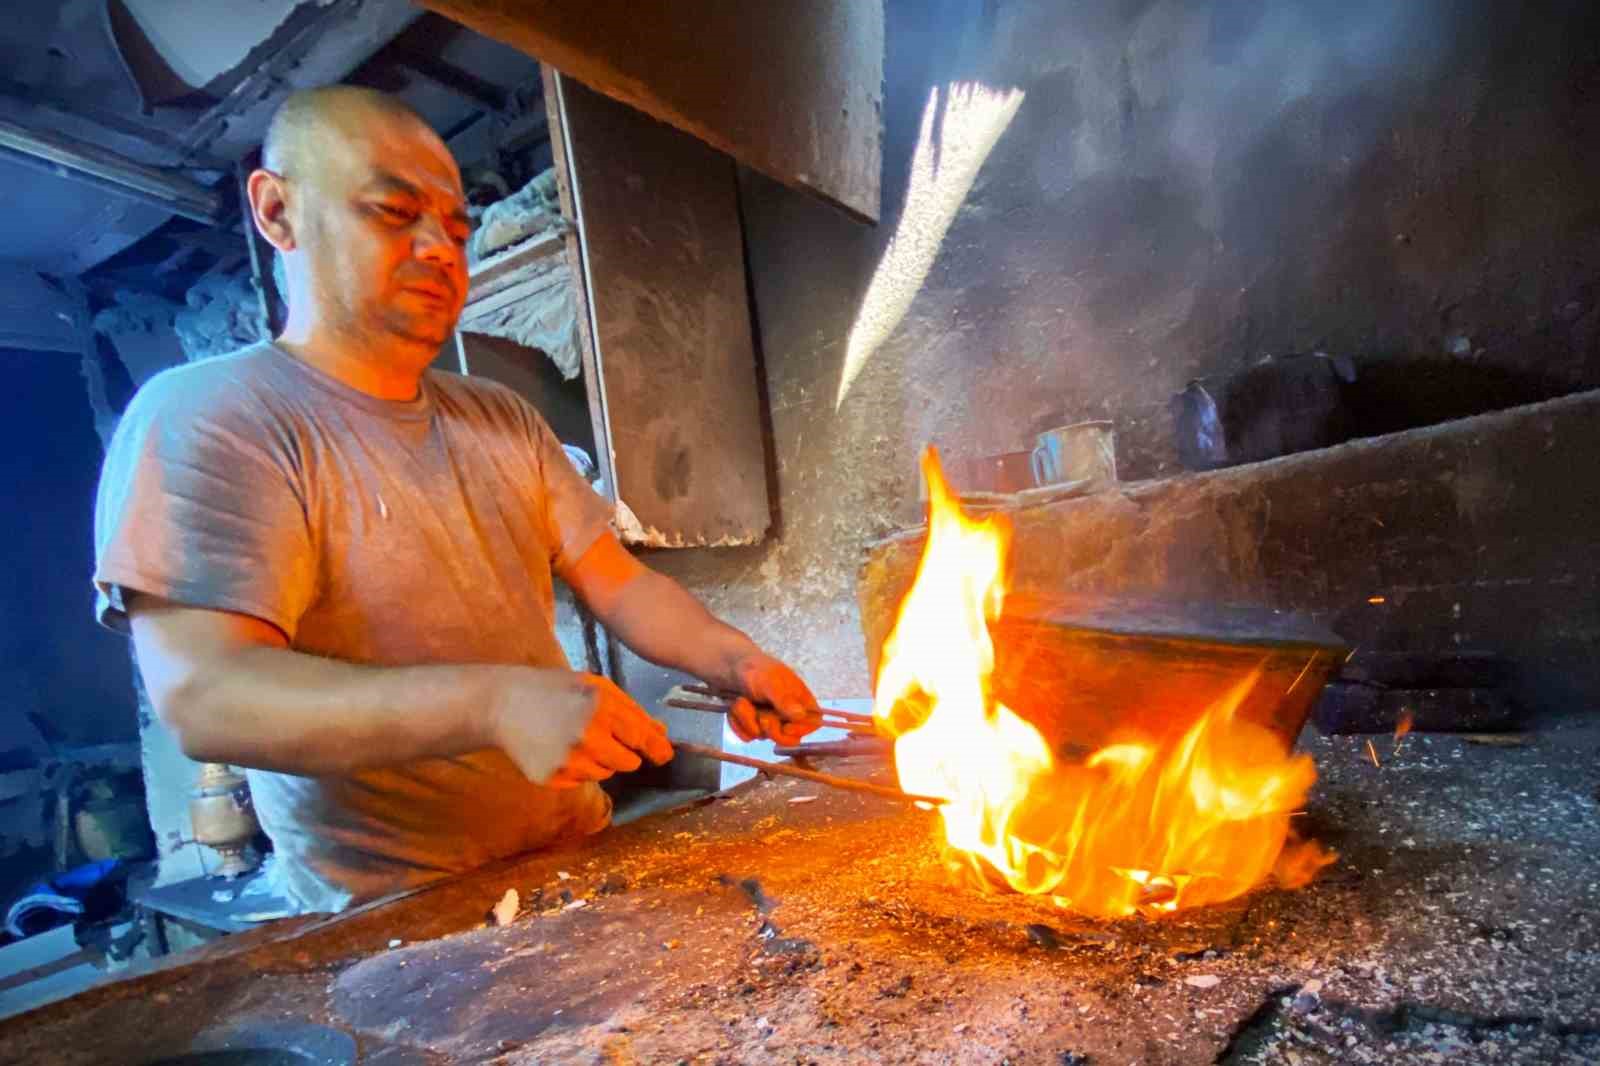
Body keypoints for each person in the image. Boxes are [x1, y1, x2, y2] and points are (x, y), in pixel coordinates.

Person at [92, 86, 819, 913]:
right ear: (277, 210)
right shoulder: (213, 417)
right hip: (390, 912)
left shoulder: (500, 417)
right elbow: (207, 696)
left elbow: (621, 585)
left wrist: (736, 662)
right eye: (394, 213)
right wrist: (496, 703)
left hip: (573, 856)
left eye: (458, 228)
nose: (441, 249)